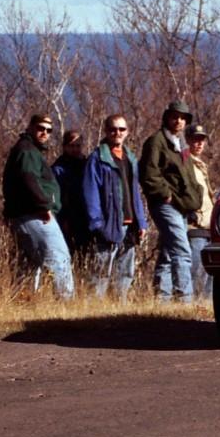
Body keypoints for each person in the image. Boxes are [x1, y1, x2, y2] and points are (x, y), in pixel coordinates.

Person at [2, 114, 74, 299]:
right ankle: (66, 306)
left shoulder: (28, 150)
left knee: (29, 264)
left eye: (49, 130)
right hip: (35, 215)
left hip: (26, 214)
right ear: (31, 127)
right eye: (40, 128)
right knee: (59, 257)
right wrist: (43, 206)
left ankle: (22, 303)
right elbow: (29, 179)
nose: (44, 133)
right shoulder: (27, 151)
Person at [140, 100, 203, 303]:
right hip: (166, 204)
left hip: (181, 206)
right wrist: (165, 195)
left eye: (183, 118)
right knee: (182, 250)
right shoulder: (155, 141)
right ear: (167, 117)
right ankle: (185, 298)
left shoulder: (182, 144)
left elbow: (188, 177)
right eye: (175, 116)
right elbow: (149, 174)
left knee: (169, 251)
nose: (178, 121)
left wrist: (194, 201)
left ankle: (162, 299)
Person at [83, 114, 148, 302]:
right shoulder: (97, 158)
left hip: (130, 223)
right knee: (101, 270)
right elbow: (90, 192)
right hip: (108, 223)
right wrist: (97, 224)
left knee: (126, 271)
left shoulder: (130, 157)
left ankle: (120, 308)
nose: (117, 133)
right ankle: (93, 310)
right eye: (113, 129)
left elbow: (135, 192)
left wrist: (141, 222)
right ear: (106, 131)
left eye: (121, 129)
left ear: (127, 132)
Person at [185, 124, 214, 300]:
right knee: (195, 271)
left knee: (208, 272)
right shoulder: (185, 162)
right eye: (195, 139)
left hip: (207, 227)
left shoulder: (200, 165)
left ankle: (204, 305)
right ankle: (192, 304)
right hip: (194, 227)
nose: (199, 143)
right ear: (187, 140)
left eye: (202, 140)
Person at [51, 130, 91, 255]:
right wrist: (62, 219)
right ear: (64, 147)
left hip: (87, 216)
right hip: (68, 216)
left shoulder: (87, 165)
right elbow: (56, 197)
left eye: (78, 145)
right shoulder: (58, 169)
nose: (75, 149)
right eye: (71, 146)